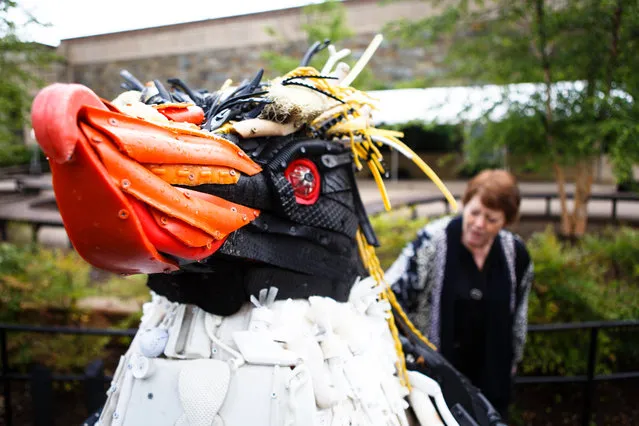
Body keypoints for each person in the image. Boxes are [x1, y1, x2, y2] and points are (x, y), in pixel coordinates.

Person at [386, 169, 534, 418]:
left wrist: (513, 365)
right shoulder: (431, 243)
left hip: (493, 383)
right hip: (438, 384)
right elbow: (388, 297)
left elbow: (519, 316)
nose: (478, 224)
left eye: (491, 219)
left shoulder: (516, 253)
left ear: (506, 221)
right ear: (464, 204)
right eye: (474, 212)